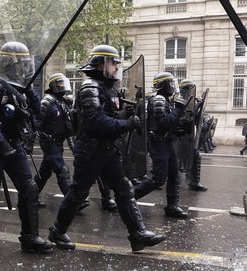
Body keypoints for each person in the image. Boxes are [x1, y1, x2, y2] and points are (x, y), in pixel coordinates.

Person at [48, 45, 166, 252]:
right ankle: (57, 231)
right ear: (101, 64)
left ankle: (137, 235)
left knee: (123, 188)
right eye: (114, 63)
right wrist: (127, 124)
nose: (117, 67)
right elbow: (95, 121)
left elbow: (111, 115)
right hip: (91, 150)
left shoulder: (106, 88)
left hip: (107, 149)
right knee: (78, 192)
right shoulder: (90, 87)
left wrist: (127, 113)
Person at [0, 41, 53, 253]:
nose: (25, 68)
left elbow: (35, 110)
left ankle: (30, 237)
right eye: (22, 64)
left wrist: (29, 89)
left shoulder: (19, 85)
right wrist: (0, 142)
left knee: (29, 187)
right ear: (9, 62)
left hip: (14, 142)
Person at [134, 71, 189, 218]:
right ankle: (129, 198)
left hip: (167, 142)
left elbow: (171, 123)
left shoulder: (166, 100)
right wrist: (177, 110)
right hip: (159, 142)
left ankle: (172, 206)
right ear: (164, 85)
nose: (173, 86)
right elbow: (163, 123)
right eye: (170, 83)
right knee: (159, 178)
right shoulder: (158, 100)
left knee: (174, 174)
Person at [35, 73, 74, 208]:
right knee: (61, 169)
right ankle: (72, 201)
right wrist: (39, 136)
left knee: (45, 172)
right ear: (53, 85)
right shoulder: (47, 101)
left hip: (58, 141)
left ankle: (30, 196)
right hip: (50, 142)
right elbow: (37, 121)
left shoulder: (62, 102)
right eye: (59, 83)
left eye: (63, 83)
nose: (62, 86)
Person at [178, 79, 207, 191]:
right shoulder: (180, 101)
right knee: (192, 157)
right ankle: (193, 181)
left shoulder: (189, 101)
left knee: (193, 156)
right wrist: (197, 105)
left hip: (187, 136)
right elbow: (186, 114)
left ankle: (192, 179)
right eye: (190, 89)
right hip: (180, 137)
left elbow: (194, 120)